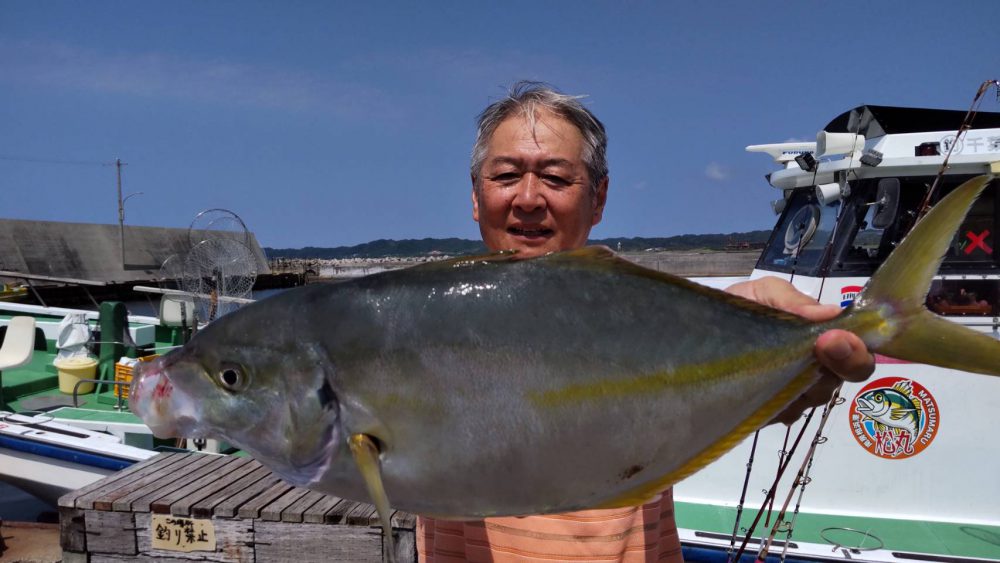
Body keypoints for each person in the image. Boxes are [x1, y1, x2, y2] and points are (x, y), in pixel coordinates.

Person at [416, 82, 875, 562]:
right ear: (475, 196)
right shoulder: (426, 322)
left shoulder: (642, 316)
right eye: (507, 175)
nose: (529, 198)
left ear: (598, 198)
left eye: (555, 178)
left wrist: (764, 348)